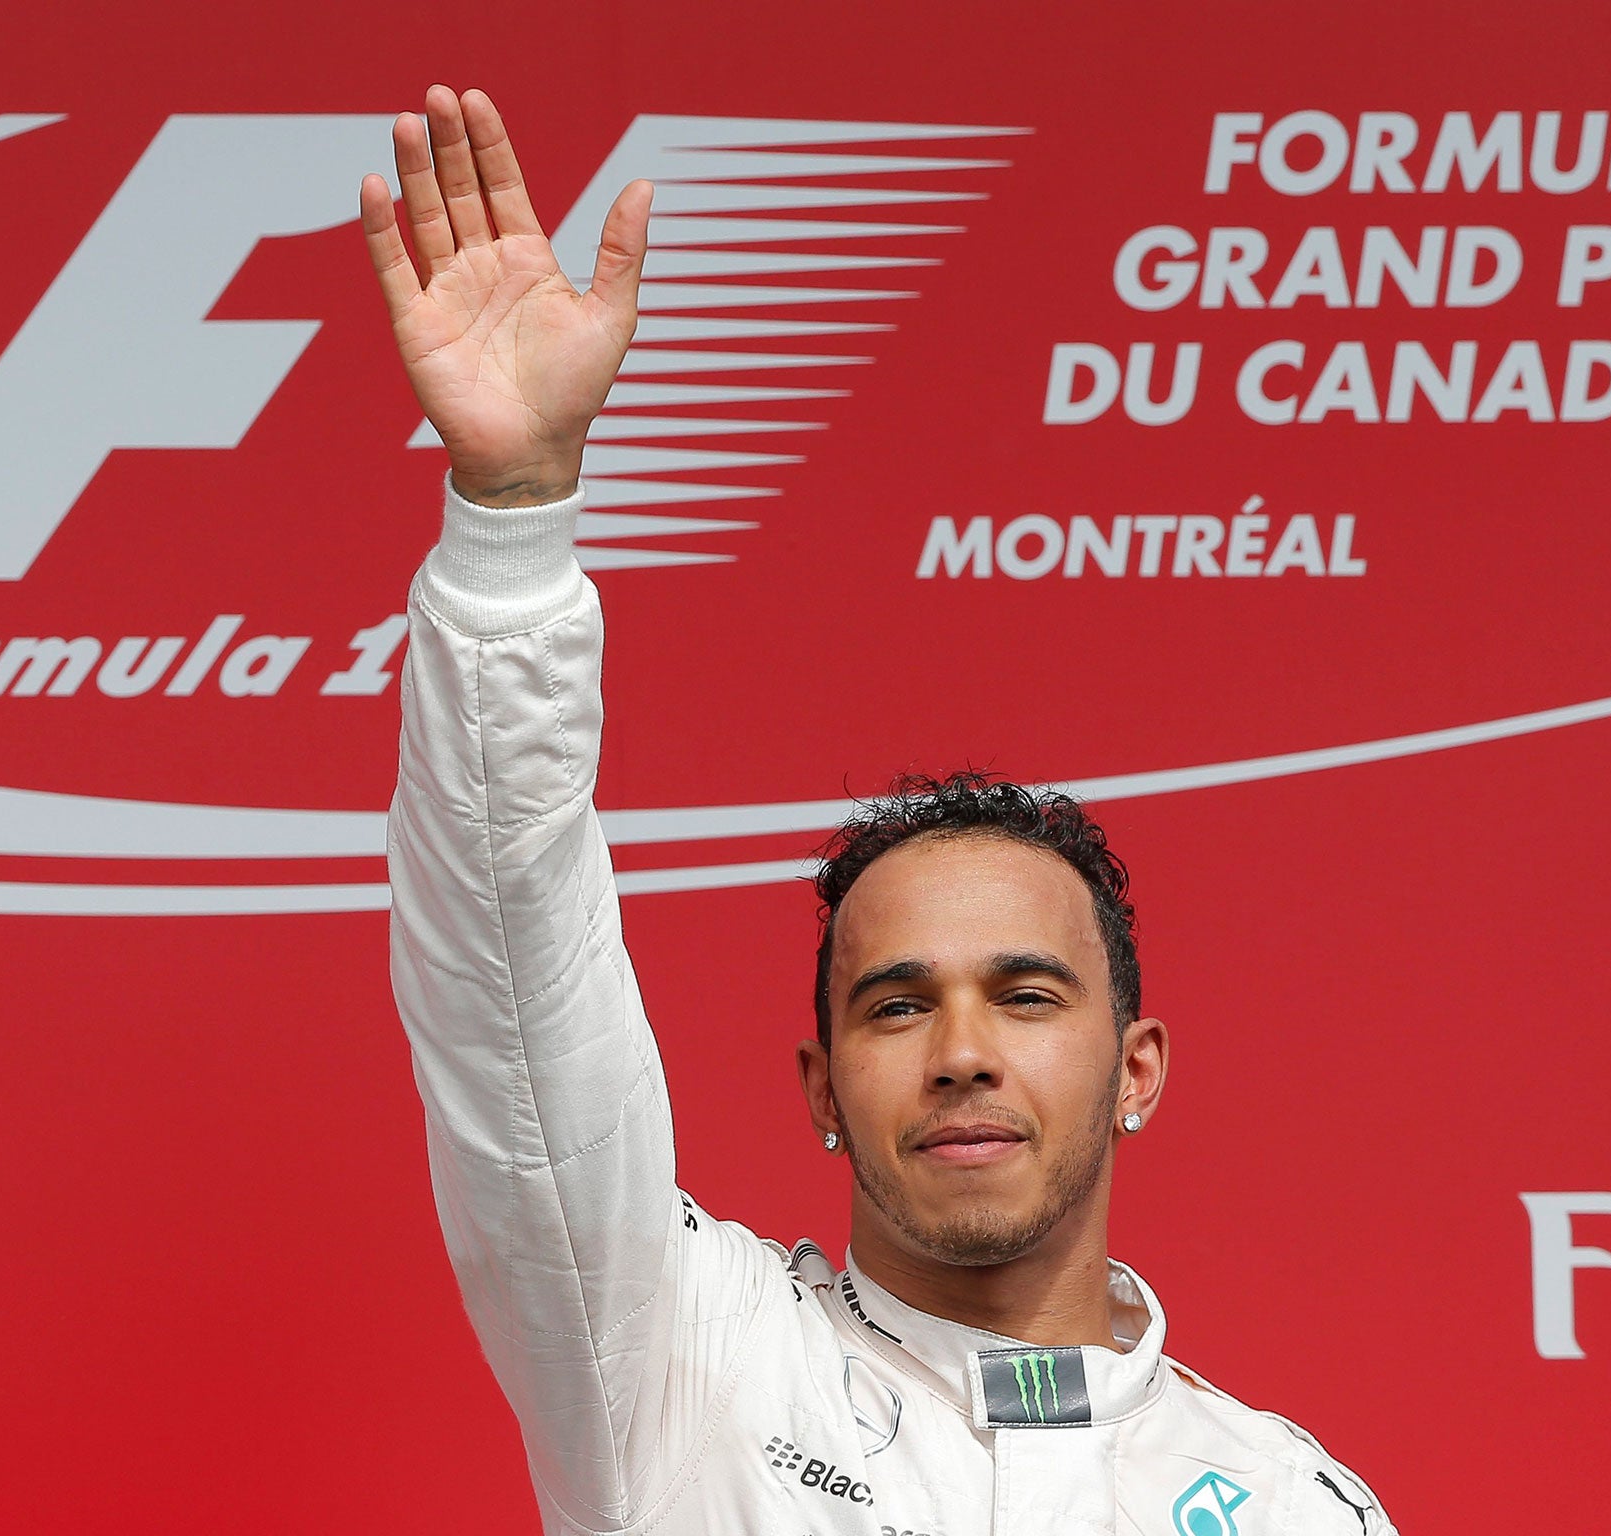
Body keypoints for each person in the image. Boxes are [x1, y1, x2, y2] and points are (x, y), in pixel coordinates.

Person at [363, 83, 1396, 1536]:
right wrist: (514, 518)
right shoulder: (684, 1356)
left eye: (1027, 996)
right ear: (819, 1092)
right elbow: (512, 991)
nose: (962, 1054)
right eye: (897, 1007)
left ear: (1139, 1067)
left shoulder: (1295, 1507)